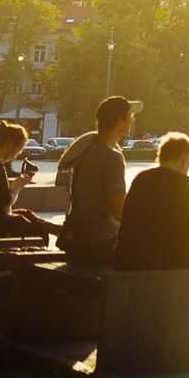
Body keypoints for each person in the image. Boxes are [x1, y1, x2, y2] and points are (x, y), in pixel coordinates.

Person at [113, 133, 189, 335]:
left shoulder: (142, 179)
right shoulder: (183, 184)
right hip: (165, 261)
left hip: (128, 258)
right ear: (185, 158)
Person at [59, 94, 136, 264]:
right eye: (130, 116)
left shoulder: (87, 150)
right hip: (100, 243)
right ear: (119, 122)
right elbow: (119, 209)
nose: (133, 119)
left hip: (77, 238)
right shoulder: (111, 156)